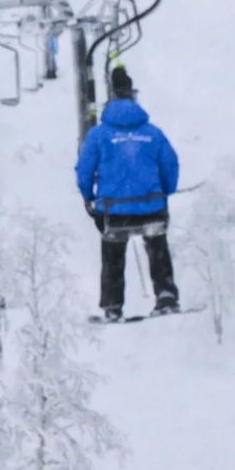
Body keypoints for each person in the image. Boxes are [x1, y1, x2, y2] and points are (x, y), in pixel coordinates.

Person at [75, 65, 181, 322]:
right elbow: (170, 164)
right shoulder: (152, 133)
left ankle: (112, 306)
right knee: (157, 246)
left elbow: (85, 169)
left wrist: (88, 197)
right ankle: (165, 295)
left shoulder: (98, 134)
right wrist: (165, 192)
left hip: (114, 209)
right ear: (133, 96)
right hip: (151, 207)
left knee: (112, 254)